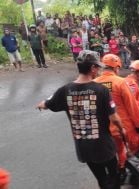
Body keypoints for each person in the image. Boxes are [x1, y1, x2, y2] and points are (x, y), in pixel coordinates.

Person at [36, 50, 123, 189]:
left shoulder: (65, 90)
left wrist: (41, 104)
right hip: (104, 146)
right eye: (98, 67)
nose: (99, 70)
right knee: (114, 178)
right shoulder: (101, 90)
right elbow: (115, 118)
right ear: (93, 68)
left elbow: (46, 103)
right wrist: (123, 132)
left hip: (84, 149)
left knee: (101, 179)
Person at [94, 54, 139, 168]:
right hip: (122, 126)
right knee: (136, 149)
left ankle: (121, 169)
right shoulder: (120, 82)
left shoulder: (94, 83)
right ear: (116, 68)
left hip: (103, 129)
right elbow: (132, 106)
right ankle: (133, 173)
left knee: (118, 151)